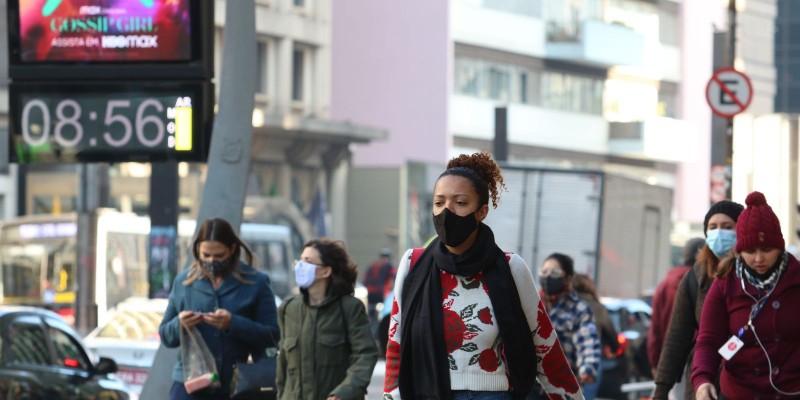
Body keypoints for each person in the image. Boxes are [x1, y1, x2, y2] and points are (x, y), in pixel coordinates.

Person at [383, 152, 583, 400]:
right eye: (439, 202)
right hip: (427, 392)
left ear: (482, 212)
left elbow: (544, 346)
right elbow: (396, 344)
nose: (447, 211)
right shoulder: (413, 264)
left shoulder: (510, 267)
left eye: (460, 202)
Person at [692, 191, 800, 399]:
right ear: (740, 251)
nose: (759, 258)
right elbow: (708, 340)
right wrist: (702, 380)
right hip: (739, 392)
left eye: (766, 249)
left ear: (779, 247)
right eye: (750, 251)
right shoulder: (725, 284)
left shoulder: (796, 279)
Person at [158, 218, 279, 400]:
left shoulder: (256, 283)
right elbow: (166, 335)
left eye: (219, 255)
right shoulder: (184, 282)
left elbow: (272, 335)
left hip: (236, 386)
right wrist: (180, 324)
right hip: (190, 385)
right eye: (206, 255)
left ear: (232, 249)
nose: (211, 261)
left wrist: (233, 324)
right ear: (197, 250)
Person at [652, 200, 743, 400]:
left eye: (727, 227)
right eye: (713, 227)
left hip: (745, 381)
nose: (719, 233)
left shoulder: (754, 275)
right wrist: (661, 389)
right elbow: (677, 336)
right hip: (702, 383)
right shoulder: (695, 277)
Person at [276, 238, 378, 400]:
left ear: (325, 271)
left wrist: (344, 392)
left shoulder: (349, 308)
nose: (300, 266)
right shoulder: (289, 309)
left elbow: (365, 354)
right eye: (300, 260)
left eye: (308, 261)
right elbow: (282, 366)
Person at [538, 253, 602, 400]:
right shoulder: (532, 304)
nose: (548, 276)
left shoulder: (578, 308)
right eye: (544, 272)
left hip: (564, 386)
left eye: (554, 272)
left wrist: (588, 367)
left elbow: (587, 340)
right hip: (533, 386)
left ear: (567, 278)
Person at [648, 237, 705, 374]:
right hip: (698, 359)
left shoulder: (664, 284)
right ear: (699, 254)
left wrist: (656, 363)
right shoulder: (702, 283)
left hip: (669, 360)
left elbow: (655, 327)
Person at [572, 273, 621, 399]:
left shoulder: (565, 304)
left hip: (567, 358)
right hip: (591, 360)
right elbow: (611, 334)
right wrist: (615, 348)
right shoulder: (598, 308)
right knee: (587, 396)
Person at [363, 247, 396, 328]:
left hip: (372, 293)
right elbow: (395, 277)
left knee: (372, 314)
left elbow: (365, 279)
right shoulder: (390, 265)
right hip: (380, 293)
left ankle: (372, 328)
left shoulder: (373, 265)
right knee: (380, 313)